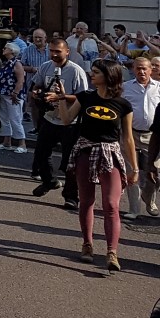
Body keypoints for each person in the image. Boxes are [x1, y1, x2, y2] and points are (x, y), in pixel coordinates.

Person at [49, 58, 138, 273]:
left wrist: (134, 168)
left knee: (111, 204)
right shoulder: (85, 97)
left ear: (108, 76)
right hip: (85, 151)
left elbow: (127, 139)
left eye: (96, 72)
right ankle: (87, 244)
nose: (92, 74)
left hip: (110, 153)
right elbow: (67, 119)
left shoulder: (123, 105)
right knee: (86, 200)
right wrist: (62, 98)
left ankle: (112, 252)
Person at [29, 38, 89, 209]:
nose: (54, 54)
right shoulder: (46, 66)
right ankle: (50, 181)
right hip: (49, 117)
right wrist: (36, 92)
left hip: (70, 121)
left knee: (70, 162)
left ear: (67, 52)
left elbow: (83, 97)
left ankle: (71, 196)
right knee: (40, 154)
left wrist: (61, 97)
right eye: (52, 51)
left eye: (58, 51)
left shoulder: (76, 71)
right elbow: (36, 84)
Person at [122, 57, 158, 219]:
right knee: (132, 171)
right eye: (138, 68)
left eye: (145, 68)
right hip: (130, 134)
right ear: (133, 69)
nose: (141, 72)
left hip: (153, 136)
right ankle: (134, 209)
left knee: (156, 173)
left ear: (151, 70)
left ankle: (149, 198)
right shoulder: (125, 88)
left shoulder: (159, 88)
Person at [0, 41, 28, 153]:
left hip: (13, 95)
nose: (3, 49)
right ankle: (7, 141)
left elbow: (20, 80)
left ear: (12, 51)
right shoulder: (6, 63)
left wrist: (15, 93)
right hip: (3, 93)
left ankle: (22, 143)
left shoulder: (17, 64)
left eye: (6, 48)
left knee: (15, 118)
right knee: (4, 118)